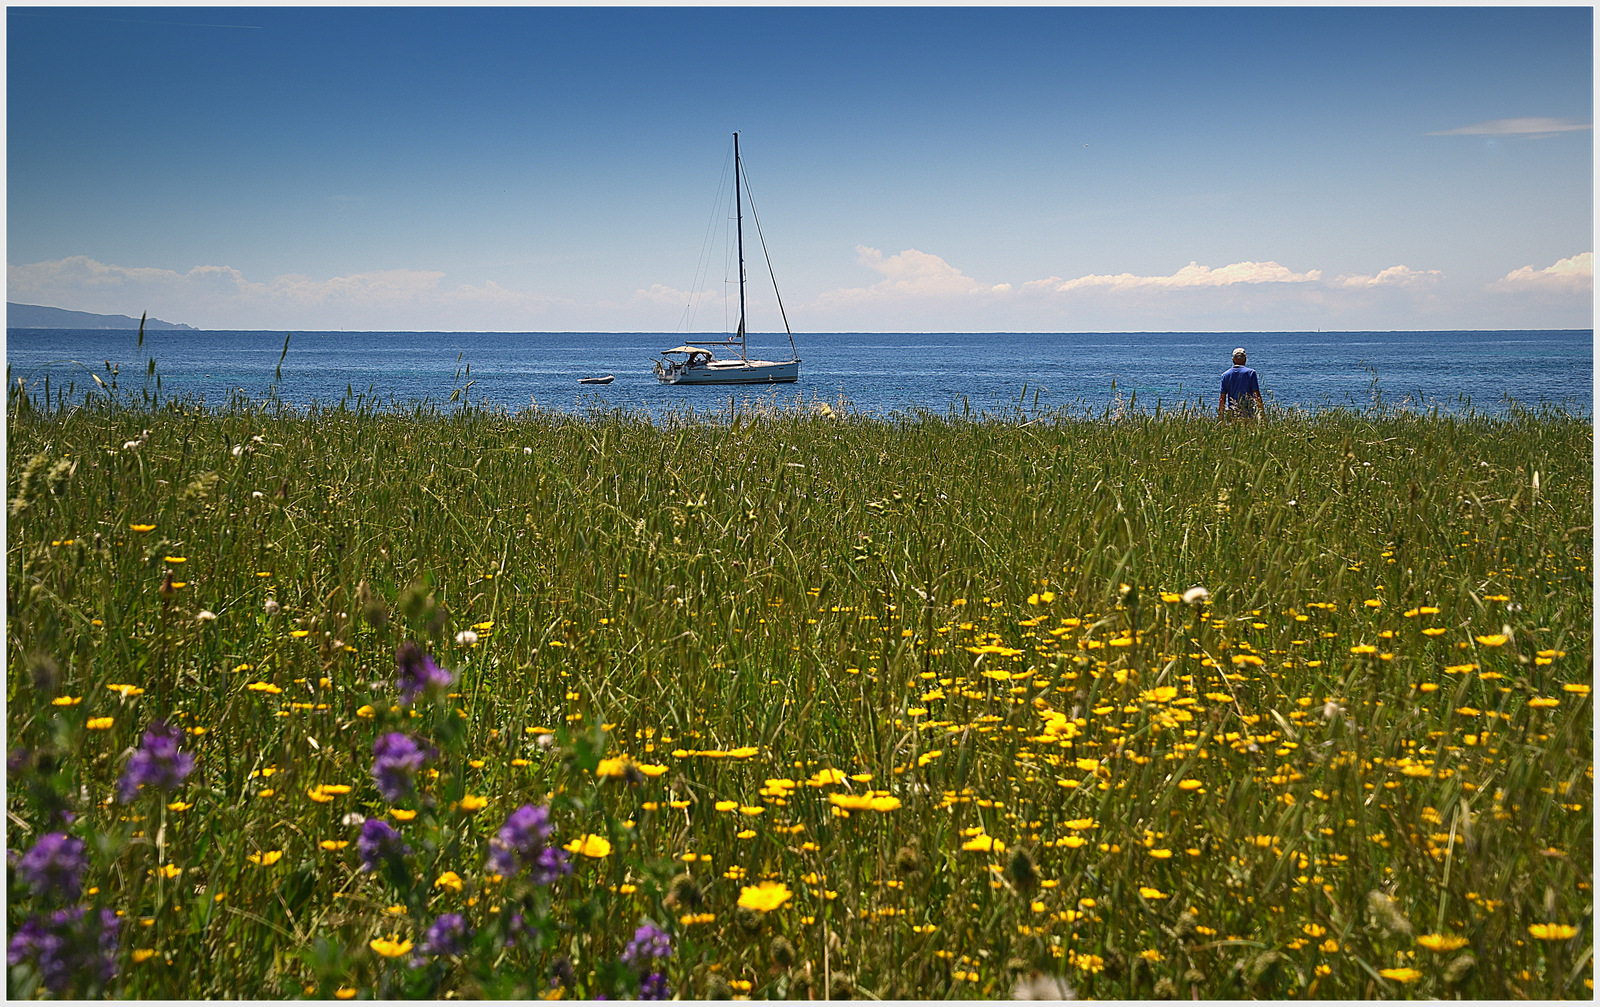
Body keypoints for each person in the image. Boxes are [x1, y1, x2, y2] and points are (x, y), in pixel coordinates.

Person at [1218, 347, 1264, 420]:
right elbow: (1257, 395)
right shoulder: (1251, 373)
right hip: (1248, 412)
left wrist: (1221, 416)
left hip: (1232, 411)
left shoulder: (1225, 375)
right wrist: (1262, 413)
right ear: (1245, 359)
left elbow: (1222, 398)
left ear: (1233, 360)